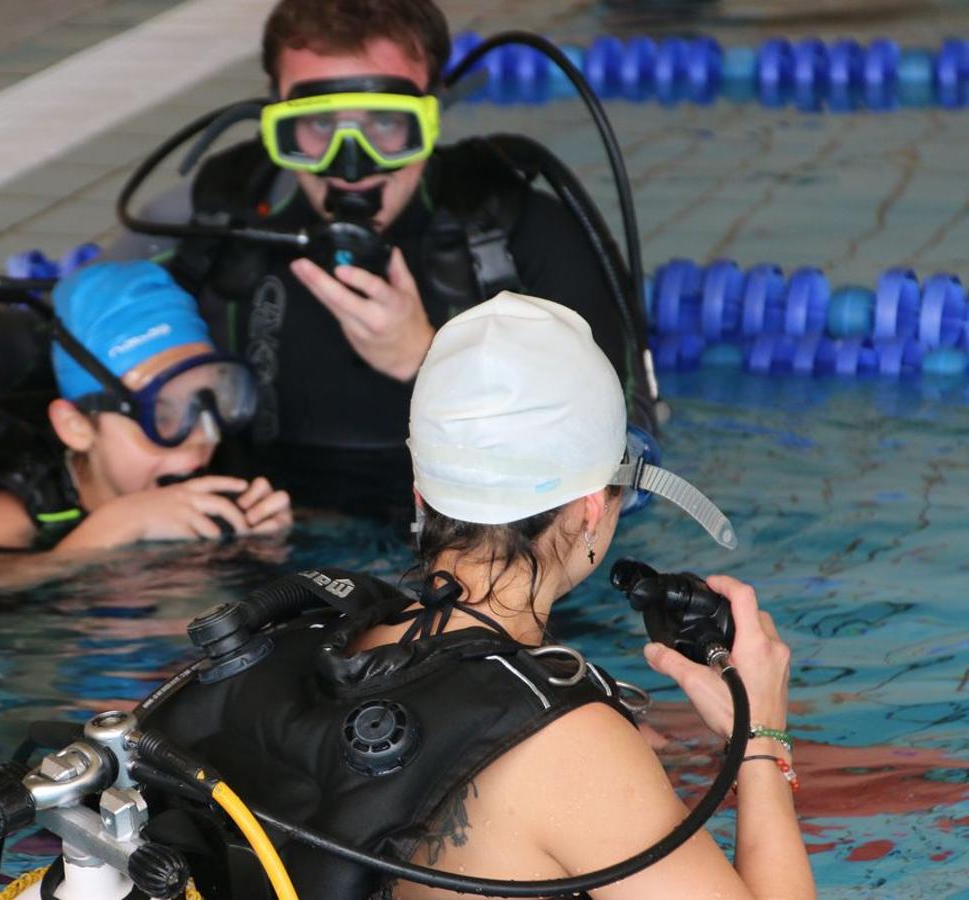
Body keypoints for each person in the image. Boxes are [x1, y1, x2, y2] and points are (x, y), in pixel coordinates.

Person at [0, 0, 654, 517]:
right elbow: (93, 336)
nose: (351, 164)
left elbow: (609, 453)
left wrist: (427, 357)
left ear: (431, 113)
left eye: (384, 125)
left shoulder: (519, 231)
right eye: (314, 129)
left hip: (475, 541)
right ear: (274, 117)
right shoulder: (227, 218)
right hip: (257, 534)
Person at [138, 294, 813, 898]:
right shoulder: (569, 747)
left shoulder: (311, 634)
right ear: (589, 512)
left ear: (421, 496)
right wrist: (761, 736)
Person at [0, 261, 292, 551]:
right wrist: (120, 526)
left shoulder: (223, 476)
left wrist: (266, 547)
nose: (201, 438)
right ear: (77, 428)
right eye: (163, 415)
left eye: (214, 401)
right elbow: (0, 586)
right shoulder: (21, 510)